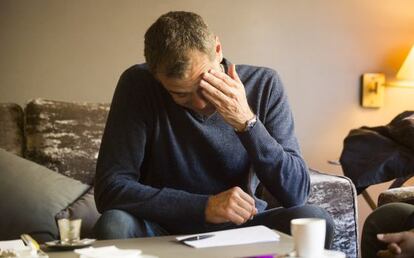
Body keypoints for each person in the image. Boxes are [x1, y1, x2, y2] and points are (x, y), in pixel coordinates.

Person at [93, 11, 334, 247]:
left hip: (244, 226)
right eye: (180, 94)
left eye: (205, 83)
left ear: (217, 49)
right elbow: (111, 189)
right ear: (155, 75)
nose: (199, 103)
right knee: (114, 224)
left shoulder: (265, 84)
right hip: (163, 227)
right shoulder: (138, 84)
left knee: (316, 220)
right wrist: (204, 206)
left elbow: (296, 193)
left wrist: (246, 122)